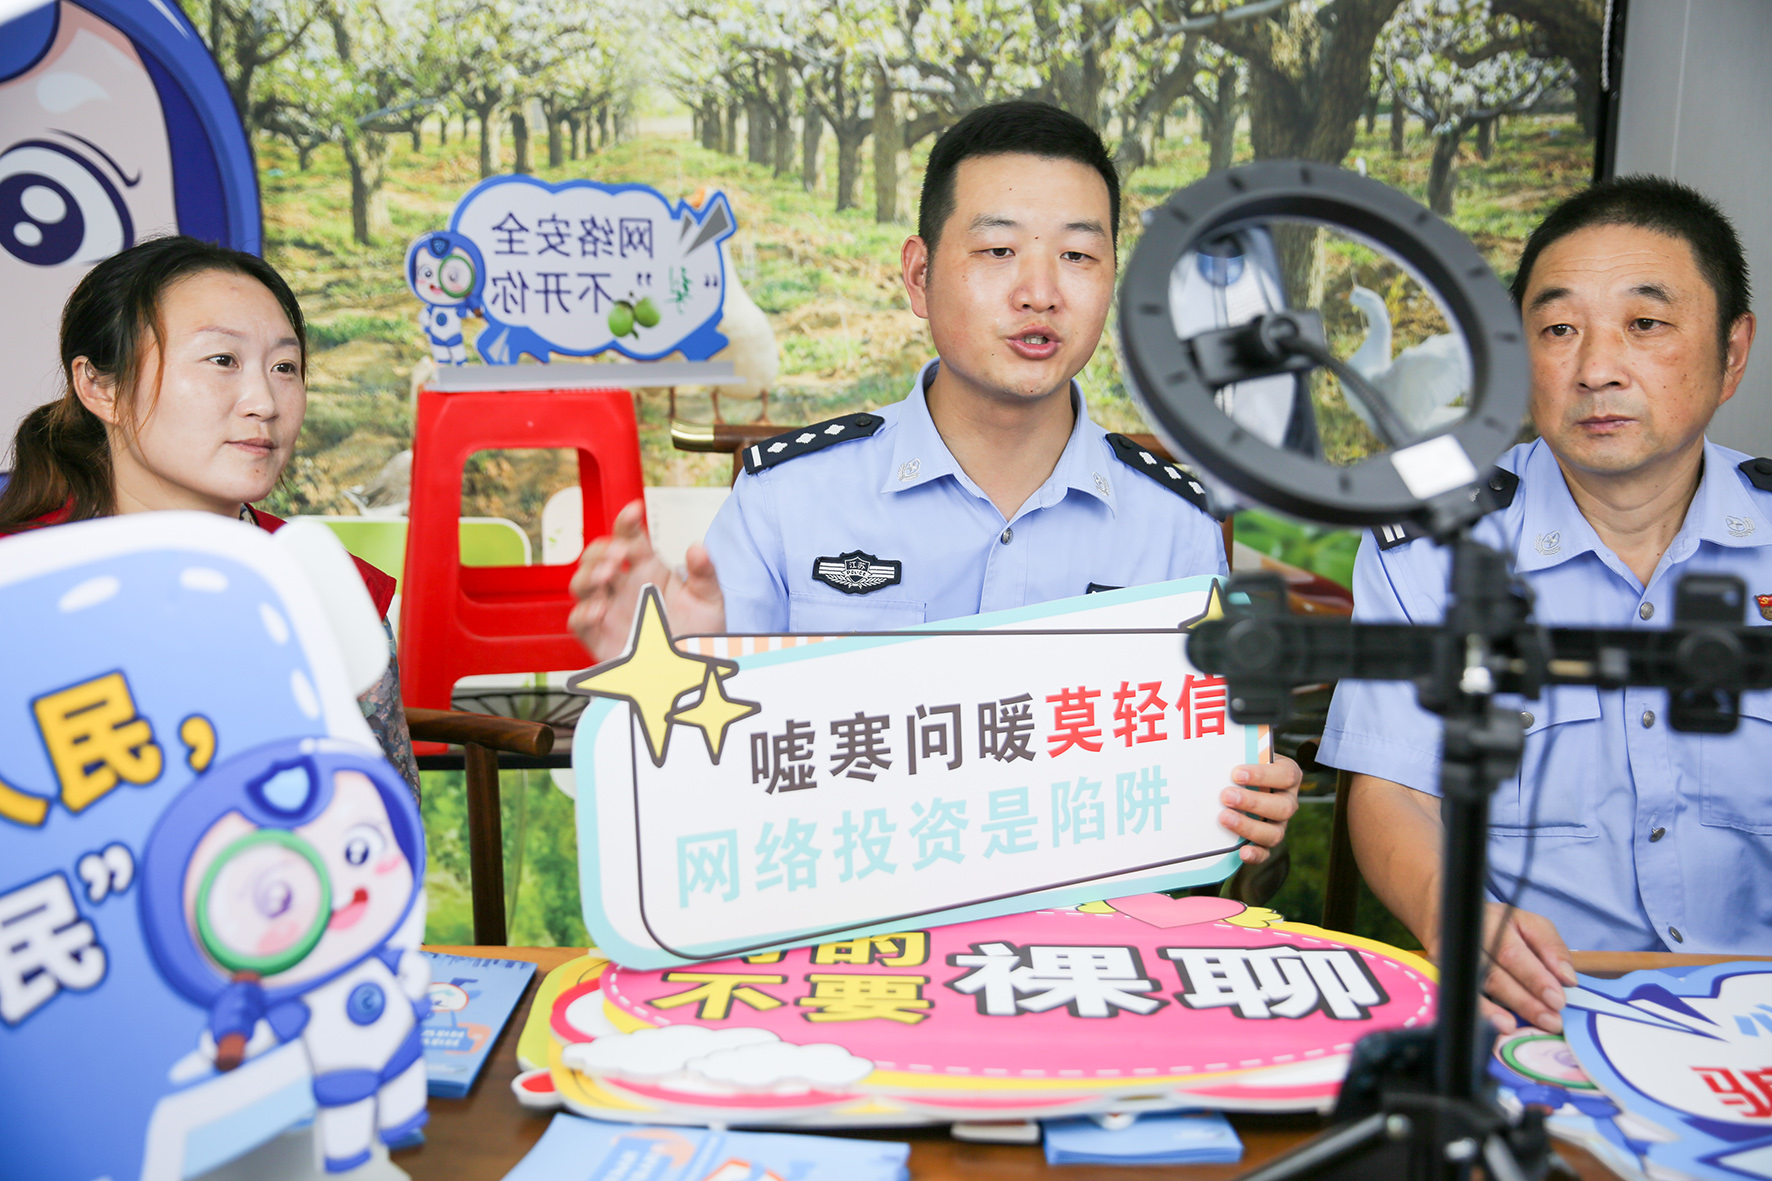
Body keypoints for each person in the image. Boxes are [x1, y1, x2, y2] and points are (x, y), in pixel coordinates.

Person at [571, 101, 1300, 866]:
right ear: (919, 276)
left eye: (1078, 256)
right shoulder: (790, 499)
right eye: (998, 250)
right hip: (849, 921)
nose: (1040, 292)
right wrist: (660, 668)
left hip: (1084, 930)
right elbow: (696, 786)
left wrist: (1250, 806)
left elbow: (1211, 798)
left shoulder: (1175, 524)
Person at [1319, 175, 1762, 1033]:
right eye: (1559, 330)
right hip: (1533, 1011)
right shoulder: (1434, 546)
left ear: (1732, 353)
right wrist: (1455, 912)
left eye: (1646, 324)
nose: (1596, 370)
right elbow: (1392, 791)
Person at [0, 234, 420, 796]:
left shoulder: (326, 586)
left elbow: (387, 807)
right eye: (222, 360)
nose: (264, 402)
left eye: (285, 367)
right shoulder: (21, 589)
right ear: (100, 388)